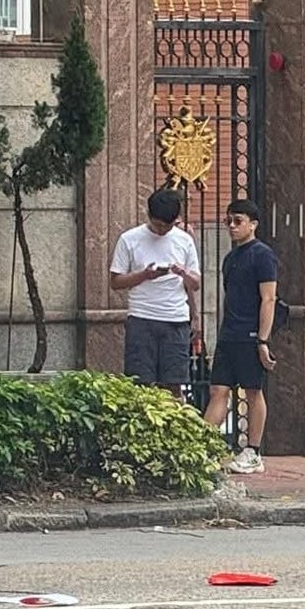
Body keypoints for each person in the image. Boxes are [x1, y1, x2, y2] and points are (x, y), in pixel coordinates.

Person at [204, 198, 278, 475]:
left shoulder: (262, 255)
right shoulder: (230, 258)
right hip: (229, 333)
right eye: (229, 221)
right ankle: (203, 447)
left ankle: (253, 450)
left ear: (253, 224)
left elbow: (268, 298)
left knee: (252, 390)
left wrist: (262, 339)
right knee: (218, 389)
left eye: (238, 221)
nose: (232, 227)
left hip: (249, 333)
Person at [110, 188, 201, 391]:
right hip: (142, 318)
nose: (162, 230)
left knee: (174, 385)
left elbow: (195, 283)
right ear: (149, 215)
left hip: (176, 320)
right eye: (158, 225)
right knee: (140, 384)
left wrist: (183, 273)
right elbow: (116, 281)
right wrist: (144, 275)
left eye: (167, 226)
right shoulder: (129, 239)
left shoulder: (184, 240)